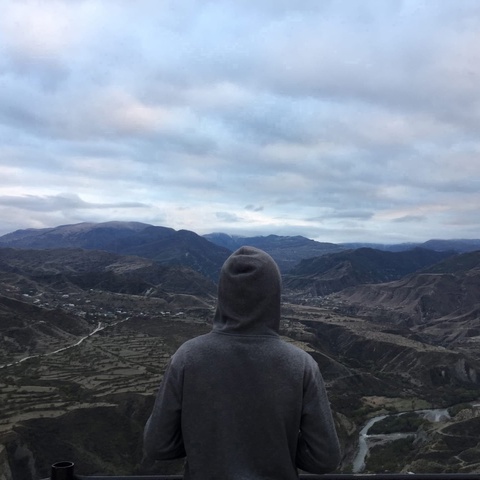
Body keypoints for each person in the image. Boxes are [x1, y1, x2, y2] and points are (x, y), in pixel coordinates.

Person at [143, 246, 341, 479]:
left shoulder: (187, 357)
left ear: (222, 294)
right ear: (273, 296)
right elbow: (325, 459)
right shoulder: (301, 365)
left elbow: (158, 445)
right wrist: (279, 447)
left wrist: (203, 444)